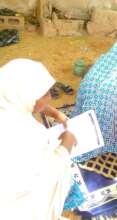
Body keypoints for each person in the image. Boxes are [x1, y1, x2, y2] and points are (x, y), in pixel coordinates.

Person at [0, 58, 79, 220]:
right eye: (45, 94)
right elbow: (47, 174)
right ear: (27, 96)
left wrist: (57, 114)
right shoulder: (21, 135)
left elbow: (33, 103)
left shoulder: (8, 99)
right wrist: (66, 143)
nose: (50, 97)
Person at [71, 33, 117, 162]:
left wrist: (106, 95)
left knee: (105, 101)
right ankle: (87, 131)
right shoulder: (104, 59)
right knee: (93, 97)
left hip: (115, 109)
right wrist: (97, 91)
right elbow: (89, 81)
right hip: (92, 100)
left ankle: (101, 138)